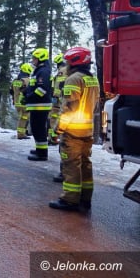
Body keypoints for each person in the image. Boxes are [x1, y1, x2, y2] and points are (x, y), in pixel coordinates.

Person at [49, 47, 100, 211]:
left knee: (71, 165)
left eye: (68, 62)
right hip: (88, 130)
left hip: (73, 131)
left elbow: (69, 107)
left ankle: (70, 200)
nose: (66, 65)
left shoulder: (73, 80)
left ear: (74, 62)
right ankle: (86, 198)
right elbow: (95, 105)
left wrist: (57, 129)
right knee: (86, 164)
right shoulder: (93, 80)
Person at [25, 48, 52, 161]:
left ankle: (42, 154)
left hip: (41, 106)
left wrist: (30, 97)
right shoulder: (39, 70)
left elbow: (42, 89)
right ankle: (39, 149)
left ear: (40, 58)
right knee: (36, 129)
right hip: (37, 105)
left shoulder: (43, 71)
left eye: (34, 58)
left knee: (39, 129)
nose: (33, 60)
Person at [49, 53, 67, 182]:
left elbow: (59, 89)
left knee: (66, 142)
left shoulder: (62, 72)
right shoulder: (68, 72)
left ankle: (65, 172)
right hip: (60, 103)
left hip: (62, 106)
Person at [10, 63, 33, 139]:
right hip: (24, 103)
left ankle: (22, 132)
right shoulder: (27, 80)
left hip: (17, 103)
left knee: (22, 118)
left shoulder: (15, 80)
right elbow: (30, 91)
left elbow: (11, 91)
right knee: (24, 118)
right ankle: (21, 134)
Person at [48, 53, 67, 146]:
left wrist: (55, 96)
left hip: (58, 100)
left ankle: (53, 137)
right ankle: (54, 137)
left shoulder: (61, 72)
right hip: (63, 99)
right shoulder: (68, 71)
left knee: (54, 118)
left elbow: (58, 86)